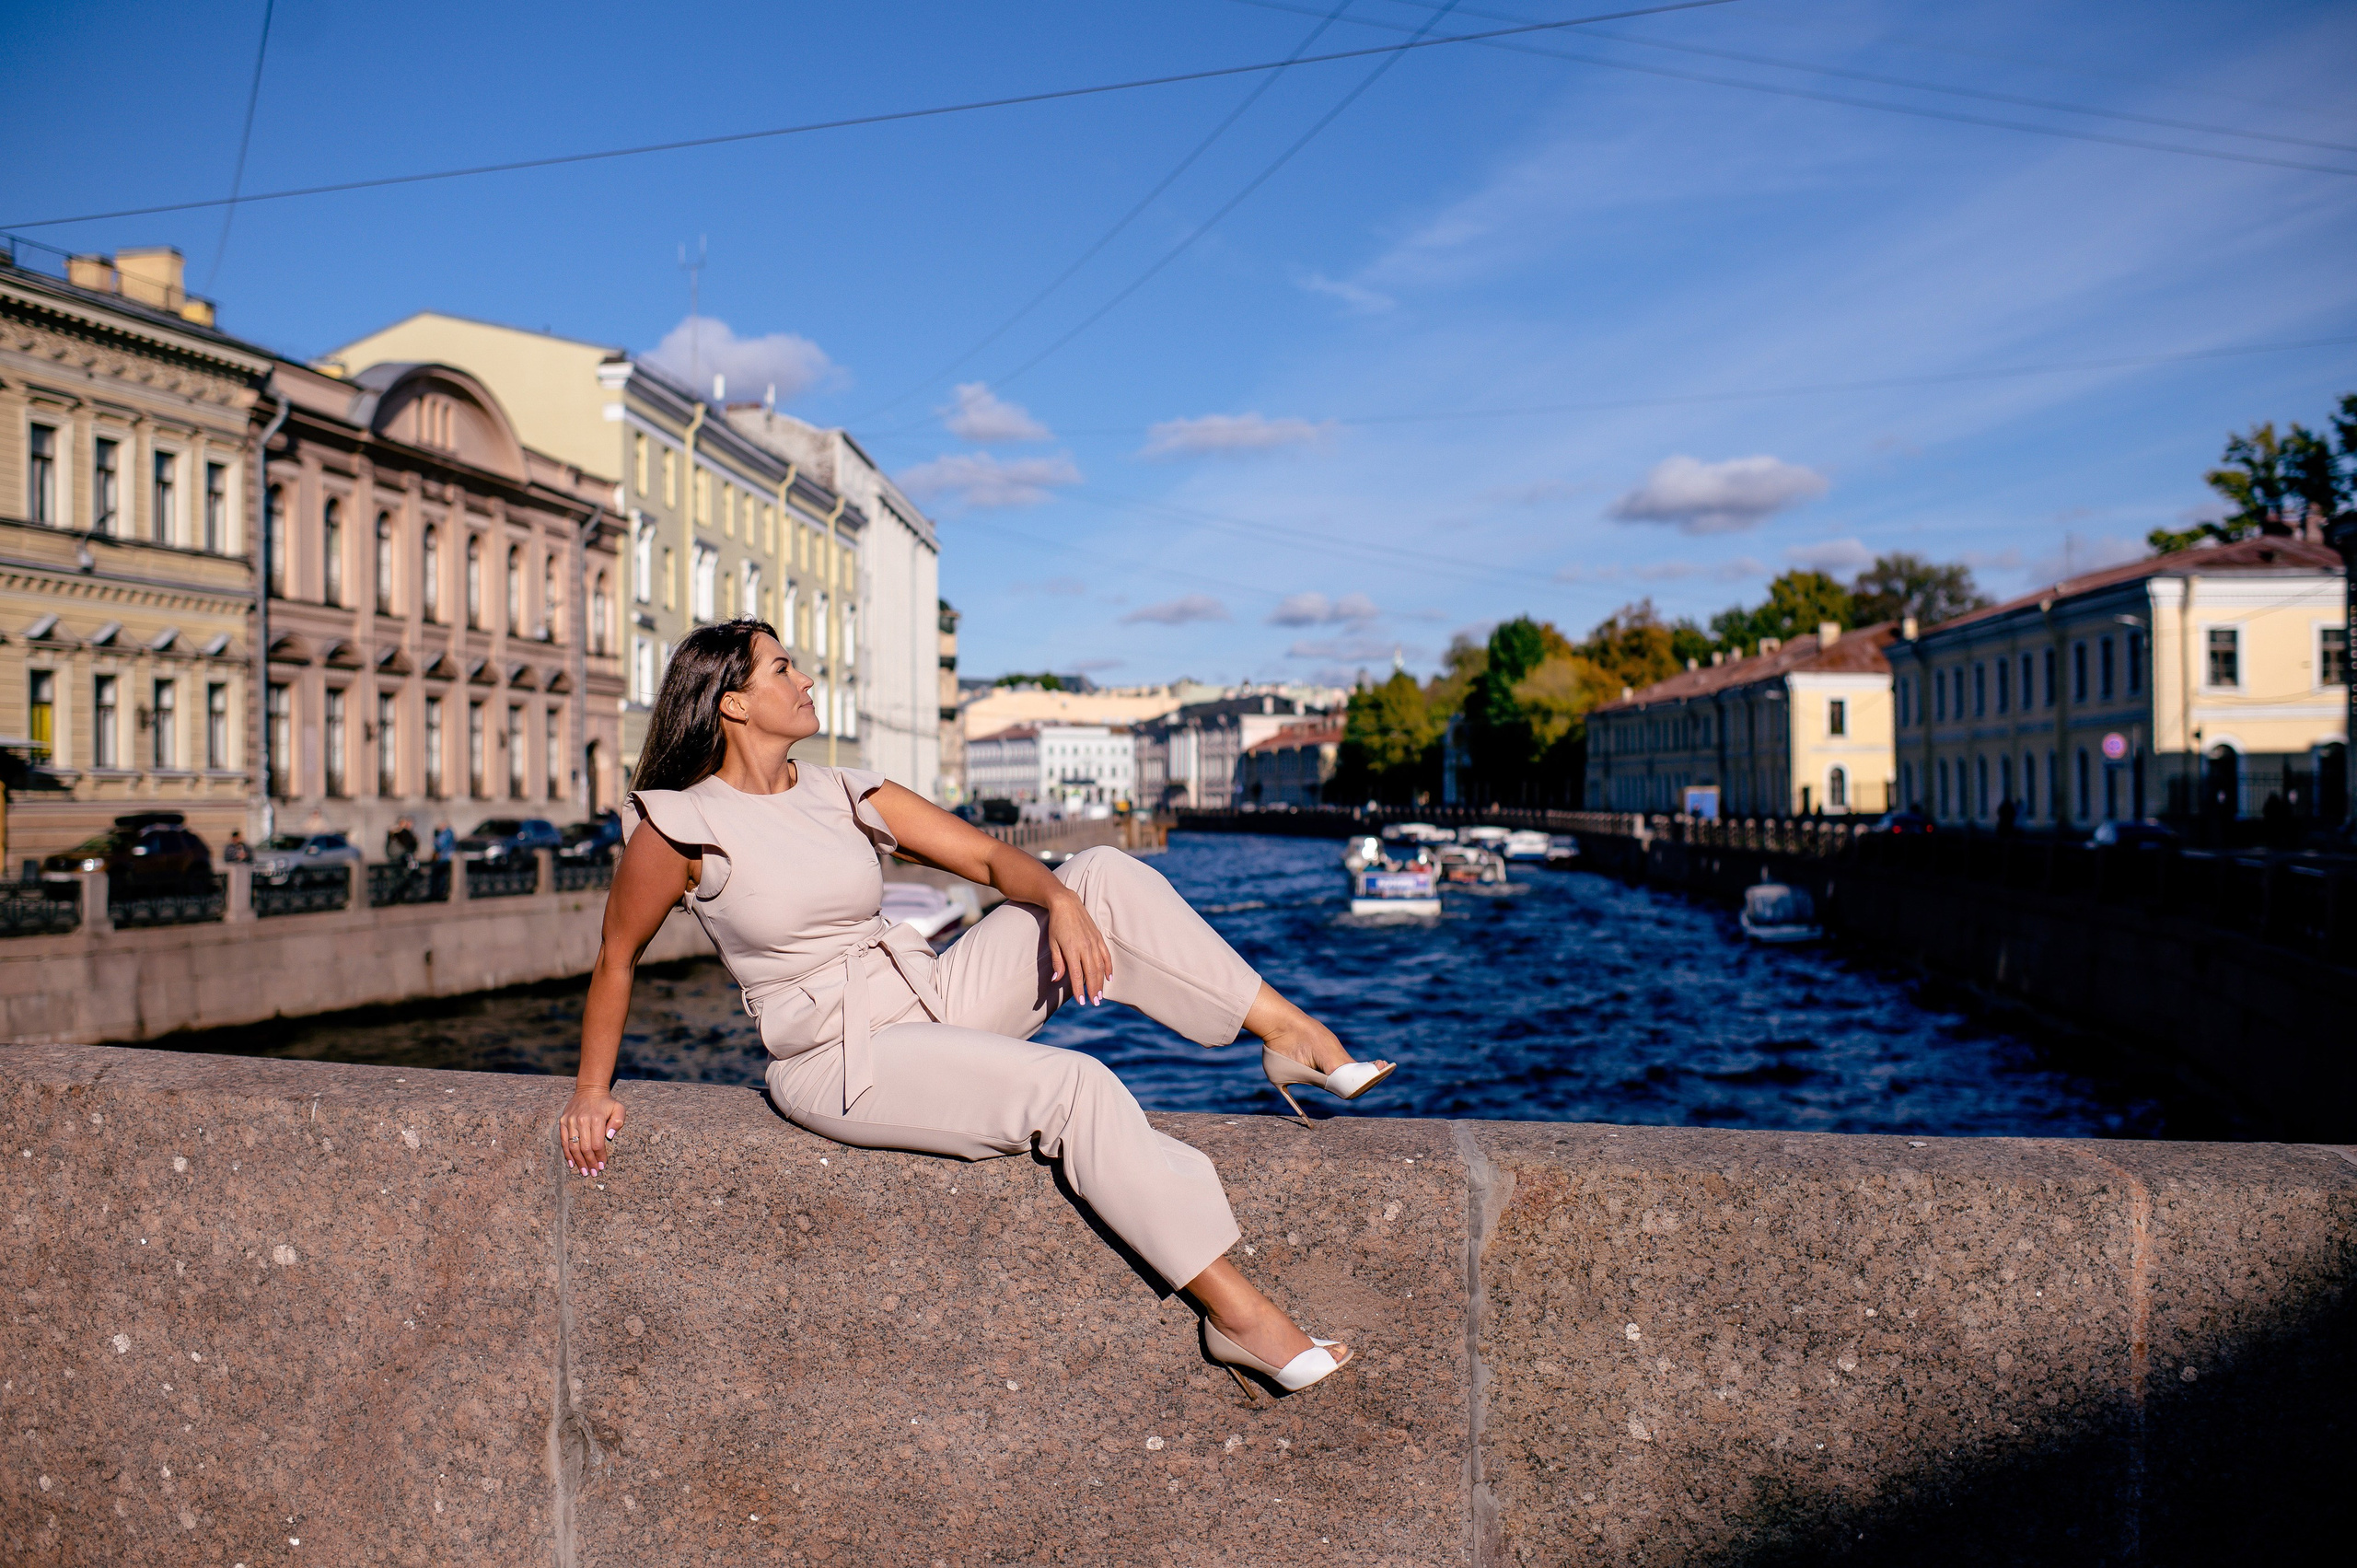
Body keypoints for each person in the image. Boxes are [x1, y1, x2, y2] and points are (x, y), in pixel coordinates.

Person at [562, 618, 1396, 1396]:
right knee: (1076, 1086)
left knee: (1099, 873)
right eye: (784, 668)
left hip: (929, 998)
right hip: (839, 1060)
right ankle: (1240, 1316)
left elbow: (992, 859)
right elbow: (616, 958)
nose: (808, 678)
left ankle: (1289, 1033)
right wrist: (592, 1091)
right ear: (733, 702)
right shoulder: (679, 826)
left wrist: (1062, 903)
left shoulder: (842, 789)